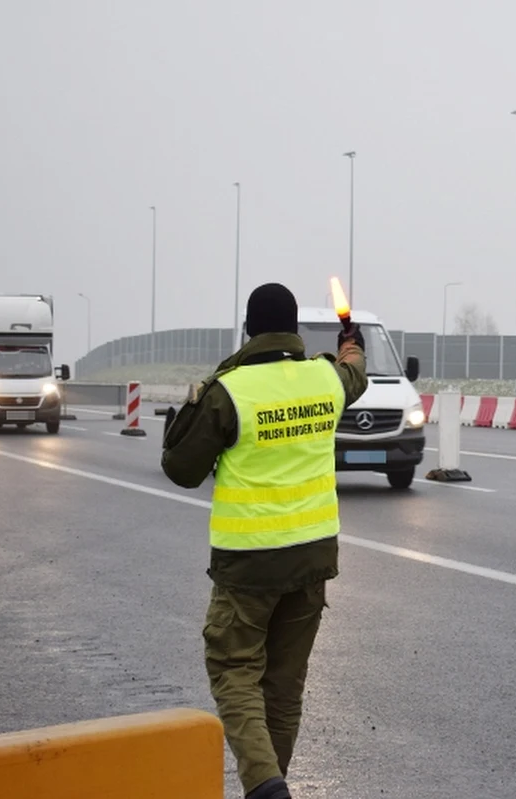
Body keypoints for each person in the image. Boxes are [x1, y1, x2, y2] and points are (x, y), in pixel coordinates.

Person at [161, 282, 368, 799]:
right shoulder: (325, 379)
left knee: (234, 670)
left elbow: (180, 469)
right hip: (313, 561)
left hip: (249, 567)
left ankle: (264, 785)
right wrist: (352, 343)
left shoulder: (229, 391)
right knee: (282, 687)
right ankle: (272, 785)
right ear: (296, 329)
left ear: (250, 329)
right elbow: (354, 374)